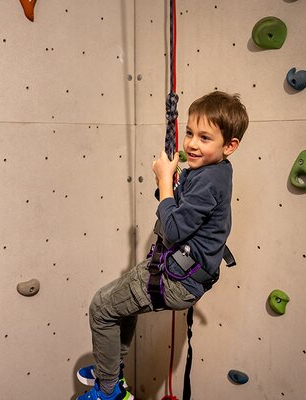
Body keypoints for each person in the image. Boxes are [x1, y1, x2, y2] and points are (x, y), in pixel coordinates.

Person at [76, 91, 249, 400]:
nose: (193, 144)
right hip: (183, 275)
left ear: (229, 146)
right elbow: (180, 208)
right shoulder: (212, 171)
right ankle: (111, 371)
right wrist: (170, 184)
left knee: (101, 308)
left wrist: (164, 182)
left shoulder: (210, 180)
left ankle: (108, 391)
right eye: (190, 133)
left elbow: (173, 228)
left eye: (205, 137)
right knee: (119, 309)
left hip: (175, 279)